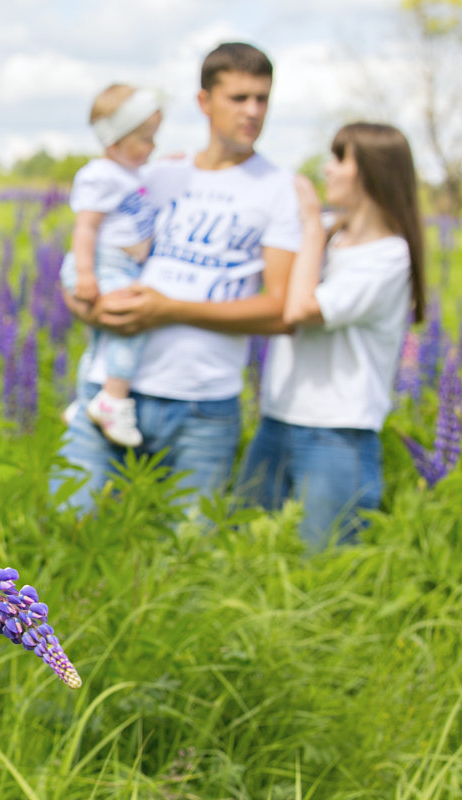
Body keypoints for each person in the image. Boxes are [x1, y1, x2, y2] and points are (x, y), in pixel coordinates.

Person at [56, 42, 302, 513]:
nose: (252, 111)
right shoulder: (155, 174)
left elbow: (280, 310)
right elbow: (89, 258)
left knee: (184, 558)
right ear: (204, 102)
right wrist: (88, 305)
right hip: (106, 389)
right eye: (238, 98)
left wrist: (168, 310)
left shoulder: (279, 188)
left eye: (262, 99)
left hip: (202, 407)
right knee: (69, 526)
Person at [236, 122, 426, 551]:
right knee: (243, 552)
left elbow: (300, 308)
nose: (327, 169)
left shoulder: (388, 256)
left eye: (340, 159)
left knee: (320, 567)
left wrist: (308, 228)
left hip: (338, 431)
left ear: (372, 172)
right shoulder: (328, 233)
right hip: (278, 417)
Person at [59, 83, 162, 447]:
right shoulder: (100, 175)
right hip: (102, 266)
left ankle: (87, 399)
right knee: (130, 326)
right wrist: (86, 274)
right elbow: (86, 228)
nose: (154, 147)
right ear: (115, 142)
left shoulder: (131, 174)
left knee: (101, 340)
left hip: (119, 268)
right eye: (146, 139)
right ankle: (113, 399)